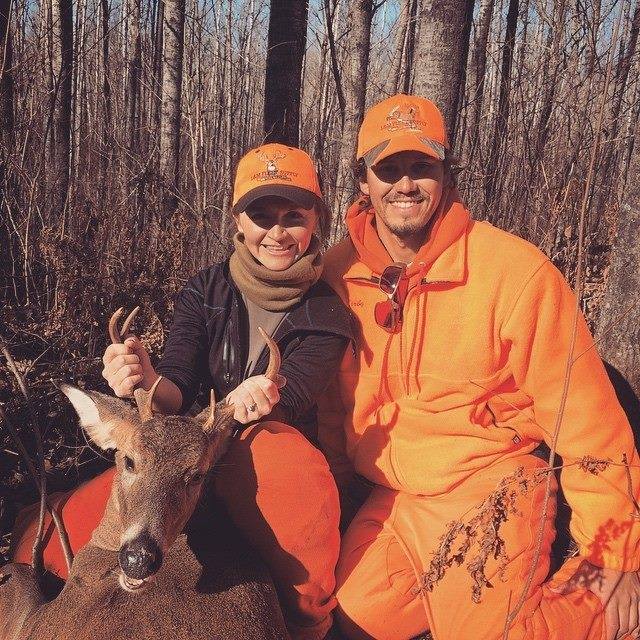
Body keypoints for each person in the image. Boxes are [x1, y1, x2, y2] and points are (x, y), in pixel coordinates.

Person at [318, 94, 640, 640]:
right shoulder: (337, 273)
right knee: (350, 620)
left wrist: (615, 553)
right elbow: (333, 399)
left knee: (499, 634)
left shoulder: (515, 273)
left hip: (493, 482)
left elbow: (588, 420)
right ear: (363, 181)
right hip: (397, 493)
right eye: (388, 169)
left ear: (447, 173)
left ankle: (597, 604)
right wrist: (339, 480)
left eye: (421, 166)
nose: (405, 184)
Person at [12, 143, 353, 640]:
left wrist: (255, 399)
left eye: (293, 217)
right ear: (238, 221)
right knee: (43, 544)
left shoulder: (327, 316)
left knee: (283, 470)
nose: (277, 233)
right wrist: (145, 379)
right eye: (261, 216)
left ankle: (309, 624)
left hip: (264, 464)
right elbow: (177, 387)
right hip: (177, 455)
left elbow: (293, 398)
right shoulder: (206, 289)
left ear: (316, 222)